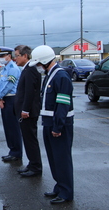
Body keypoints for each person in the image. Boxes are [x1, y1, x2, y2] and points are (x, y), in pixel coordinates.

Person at [29, 45, 74, 204]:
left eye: (39, 64)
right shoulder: (50, 75)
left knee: (62, 159)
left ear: (46, 61)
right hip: (49, 123)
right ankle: (59, 186)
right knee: (54, 158)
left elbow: (63, 105)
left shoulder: (61, 77)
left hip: (59, 125)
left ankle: (66, 192)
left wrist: (57, 127)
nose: (39, 68)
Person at [13, 45, 42, 177]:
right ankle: (32, 163)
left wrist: (25, 110)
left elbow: (30, 92)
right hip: (25, 112)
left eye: (17, 56)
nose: (15, 59)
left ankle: (36, 167)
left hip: (28, 113)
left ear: (25, 56)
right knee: (27, 139)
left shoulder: (30, 70)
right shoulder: (26, 69)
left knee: (30, 139)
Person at [0, 46, 22, 162]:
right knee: (7, 127)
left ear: (9, 56)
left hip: (11, 99)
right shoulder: (5, 68)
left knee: (13, 127)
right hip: (4, 99)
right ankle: (12, 150)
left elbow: (10, 85)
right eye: (0, 56)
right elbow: (0, 85)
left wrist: (0, 97)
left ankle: (16, 152)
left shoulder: (13, 68)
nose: (1, 58)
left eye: (2, 56)